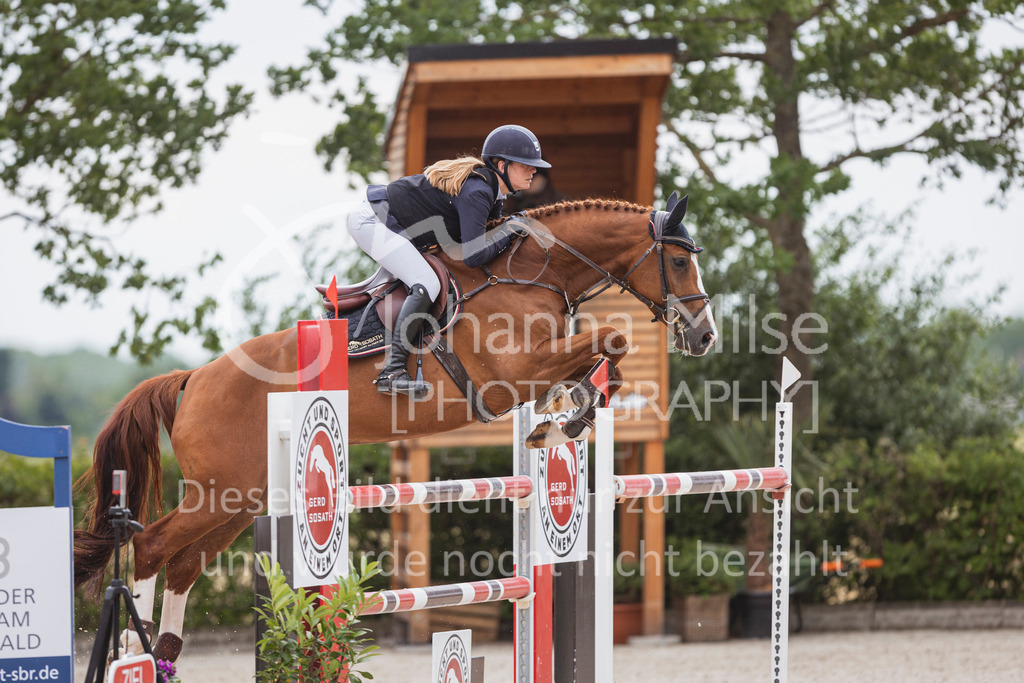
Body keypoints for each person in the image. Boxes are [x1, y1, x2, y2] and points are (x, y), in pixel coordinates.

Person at [348, 124, 552, 399]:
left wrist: (513, 226)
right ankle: (392, 372)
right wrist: (513, 227)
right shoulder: (478, 192)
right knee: (426, 284)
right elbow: (474, 255)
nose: (533, 171)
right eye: (526, 164)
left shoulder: (491, 192)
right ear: (501, 165)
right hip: (372, 221)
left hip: (389, 222)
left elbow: (489, 240)